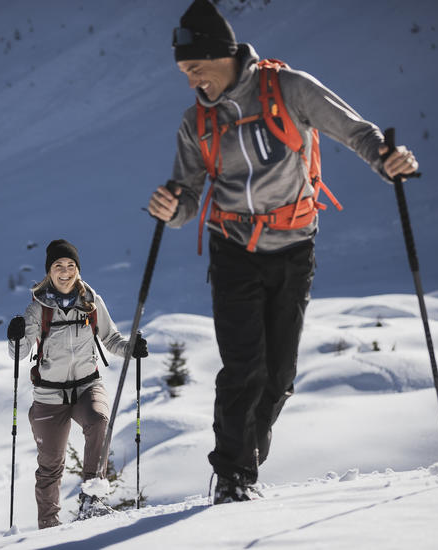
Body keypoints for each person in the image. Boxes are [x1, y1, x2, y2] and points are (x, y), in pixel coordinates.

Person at [147, 0, 419, 504]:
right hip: (232, 250)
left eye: (195, 69)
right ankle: (232, 478)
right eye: (184, 73)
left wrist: (387, 160)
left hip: (294, 247)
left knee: (278, 377)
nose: (191, 82)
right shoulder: (195, 123)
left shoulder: (288, 89)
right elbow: (186, 195)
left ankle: (244, 458)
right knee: (243, 367)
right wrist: (171, 207)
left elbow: (353, 130)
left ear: (220, 55)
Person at [7, 239, 148, 529]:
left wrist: (132, 347)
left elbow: (111, 339)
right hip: (49, 395)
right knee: (50, 467)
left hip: (87, 386)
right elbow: (18, 353)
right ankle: (49, 528)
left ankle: (92, 500)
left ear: (78, 270)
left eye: (71, 265)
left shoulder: (91, 302)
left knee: (99, 421)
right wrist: (16, 336)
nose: (66, 271)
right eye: (59, 265)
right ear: (49, 272)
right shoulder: (38, 310)